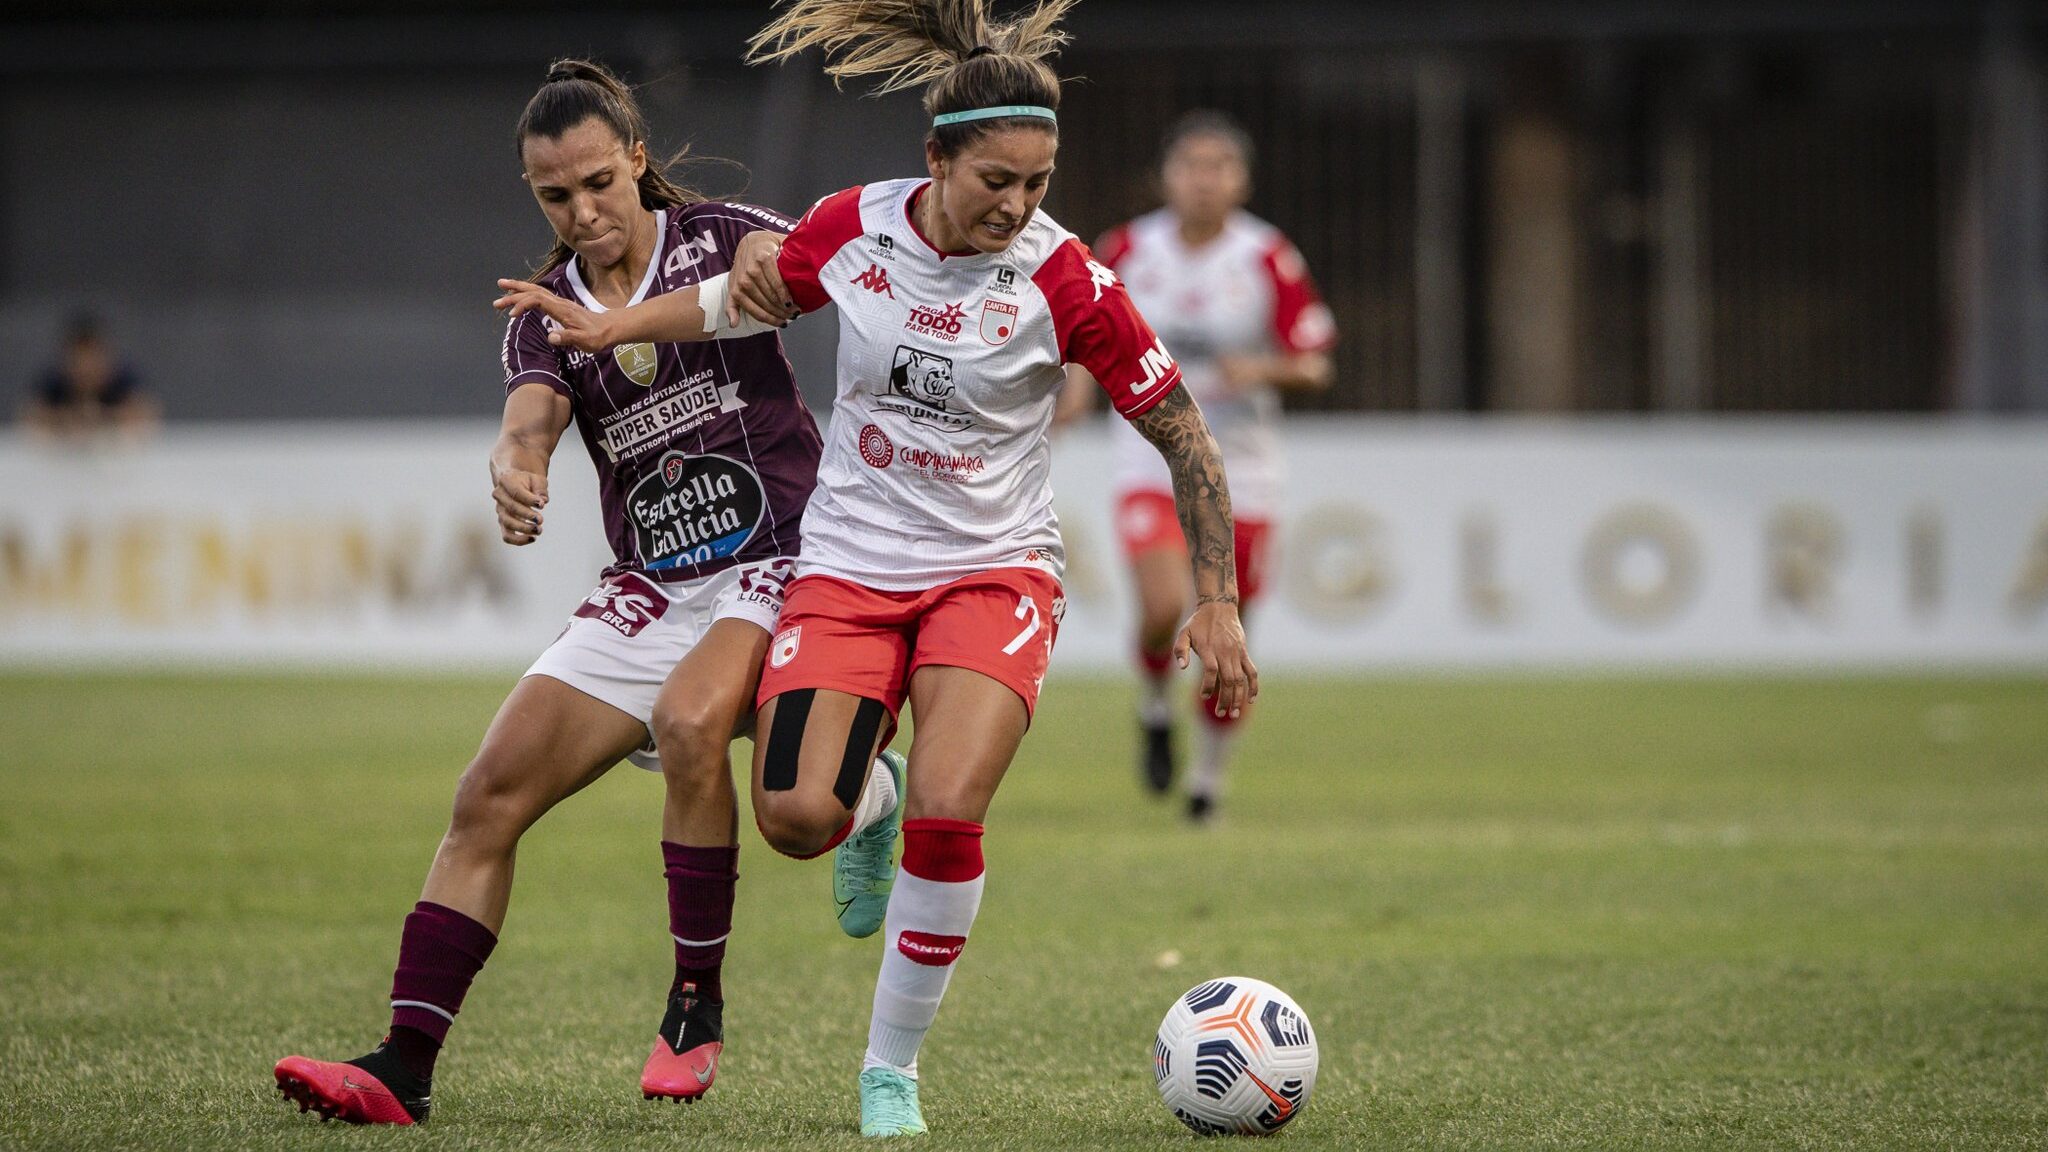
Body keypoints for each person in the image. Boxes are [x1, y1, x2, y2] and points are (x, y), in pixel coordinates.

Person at [494, 0, 1257, 1136]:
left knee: (956, 811)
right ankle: (871, 799)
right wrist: (613, 331)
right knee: (797, 817)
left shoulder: (1066, 281)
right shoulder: (853, 228)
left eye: (1037, 181)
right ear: (934, 158)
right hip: (845, 565)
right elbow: (738, 297)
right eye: (995, 179)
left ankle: (888, 1070)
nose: (1017, 204)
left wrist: (1215, 599)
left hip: (991, 571)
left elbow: (1181, 431)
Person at [271, 58, 903, 1126]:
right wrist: (516, 466)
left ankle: (693, 1005)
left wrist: (767, 260)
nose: (584, 211)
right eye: (554, 197)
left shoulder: (712, 232)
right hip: (652, 587)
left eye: (599, 183)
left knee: (695, 721)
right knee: (486, 797)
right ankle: (402, 1067)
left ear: (637, 161)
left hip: (777, 557)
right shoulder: (544, 313)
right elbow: (531, 415)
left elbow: (778, 259)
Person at [1058, 110, 1336, 822]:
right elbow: (1084, 335)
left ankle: (1208, 781)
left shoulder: (1267, 256)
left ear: (1241, 180)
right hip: (1150, 459)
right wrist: (1079, 390)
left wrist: (1266, 369)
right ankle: (1155, 707)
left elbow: (1315, 363)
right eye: (1191, 165)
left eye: (1219, 167)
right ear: (1167, 175)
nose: (1204, 180)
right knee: (1160, 608)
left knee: (1225, 637)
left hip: (1244, 471)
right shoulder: (1126, 248)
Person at [20, 313, 158, 442]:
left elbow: (147, 413)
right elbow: (29, 416)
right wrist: (68, 419)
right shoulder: (54, 380)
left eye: (94, 360)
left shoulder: (122, 376)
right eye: (79, 361)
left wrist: (103, 418)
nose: (87, 368)